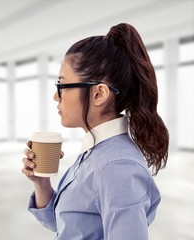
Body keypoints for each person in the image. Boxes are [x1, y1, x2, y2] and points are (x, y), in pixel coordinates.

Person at [21, 23, 169, 240]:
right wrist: (41, 184)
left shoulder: (117, 168)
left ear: (99, 94)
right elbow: (68, 226)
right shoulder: (96, 152)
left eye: (62, 86)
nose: (56, 96)